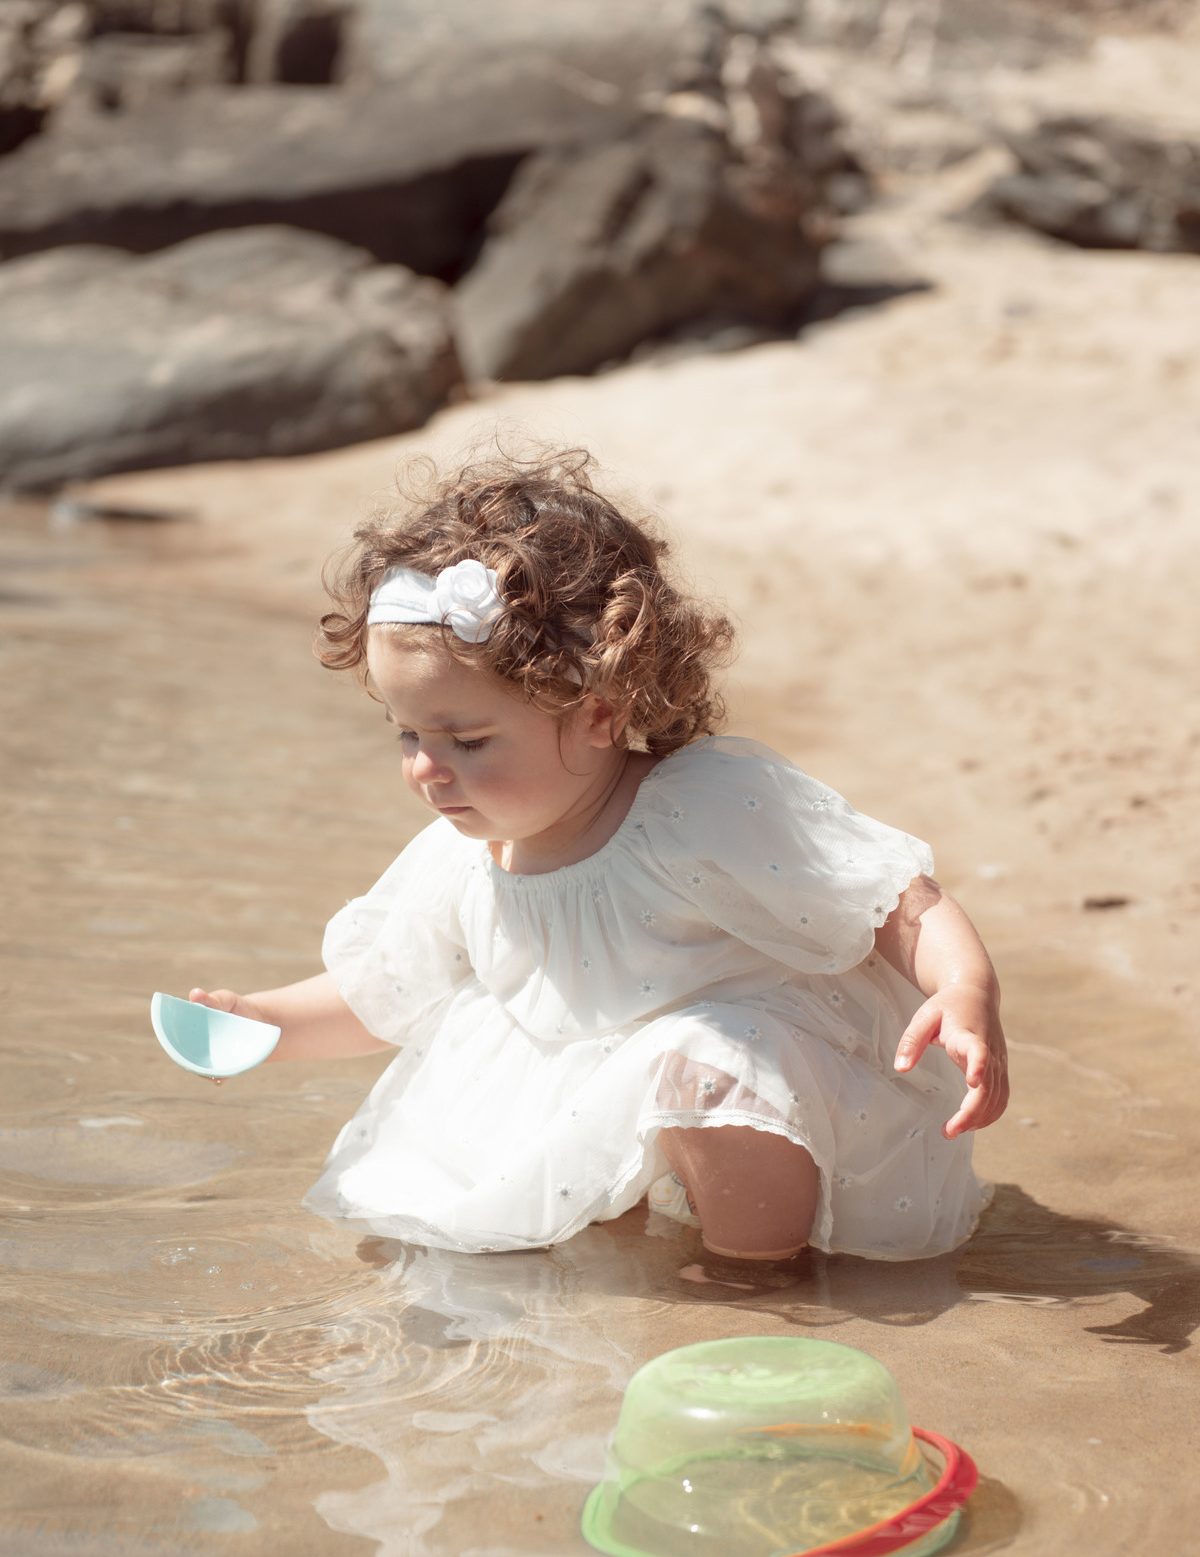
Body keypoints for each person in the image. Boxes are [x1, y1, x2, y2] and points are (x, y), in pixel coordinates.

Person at [188, 449, 1008, 1261]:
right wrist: (263, 1023)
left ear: (600, 713)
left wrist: (963, 989)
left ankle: (752, 1283)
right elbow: (384, 994)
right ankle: (608, 1296)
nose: (426, 769)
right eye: (408, 733)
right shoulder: (462, 857)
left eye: (469, 740)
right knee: (511, 1236)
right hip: (597, 1094)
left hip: (762, 1089)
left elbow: (895, 903)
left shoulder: (699, 813)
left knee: (701, 1065)